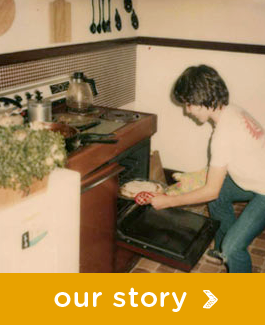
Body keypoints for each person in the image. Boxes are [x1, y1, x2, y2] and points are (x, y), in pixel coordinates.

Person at [146, 64, 265, 273]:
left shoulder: (221, 136)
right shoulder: (232, 110)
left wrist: (168, 201)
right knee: (218, 195)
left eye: (188, 104)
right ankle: (221, 250)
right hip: (256, 179)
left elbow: (211, 189)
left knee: (234, 247)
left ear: (201, 100)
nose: (187, 111)